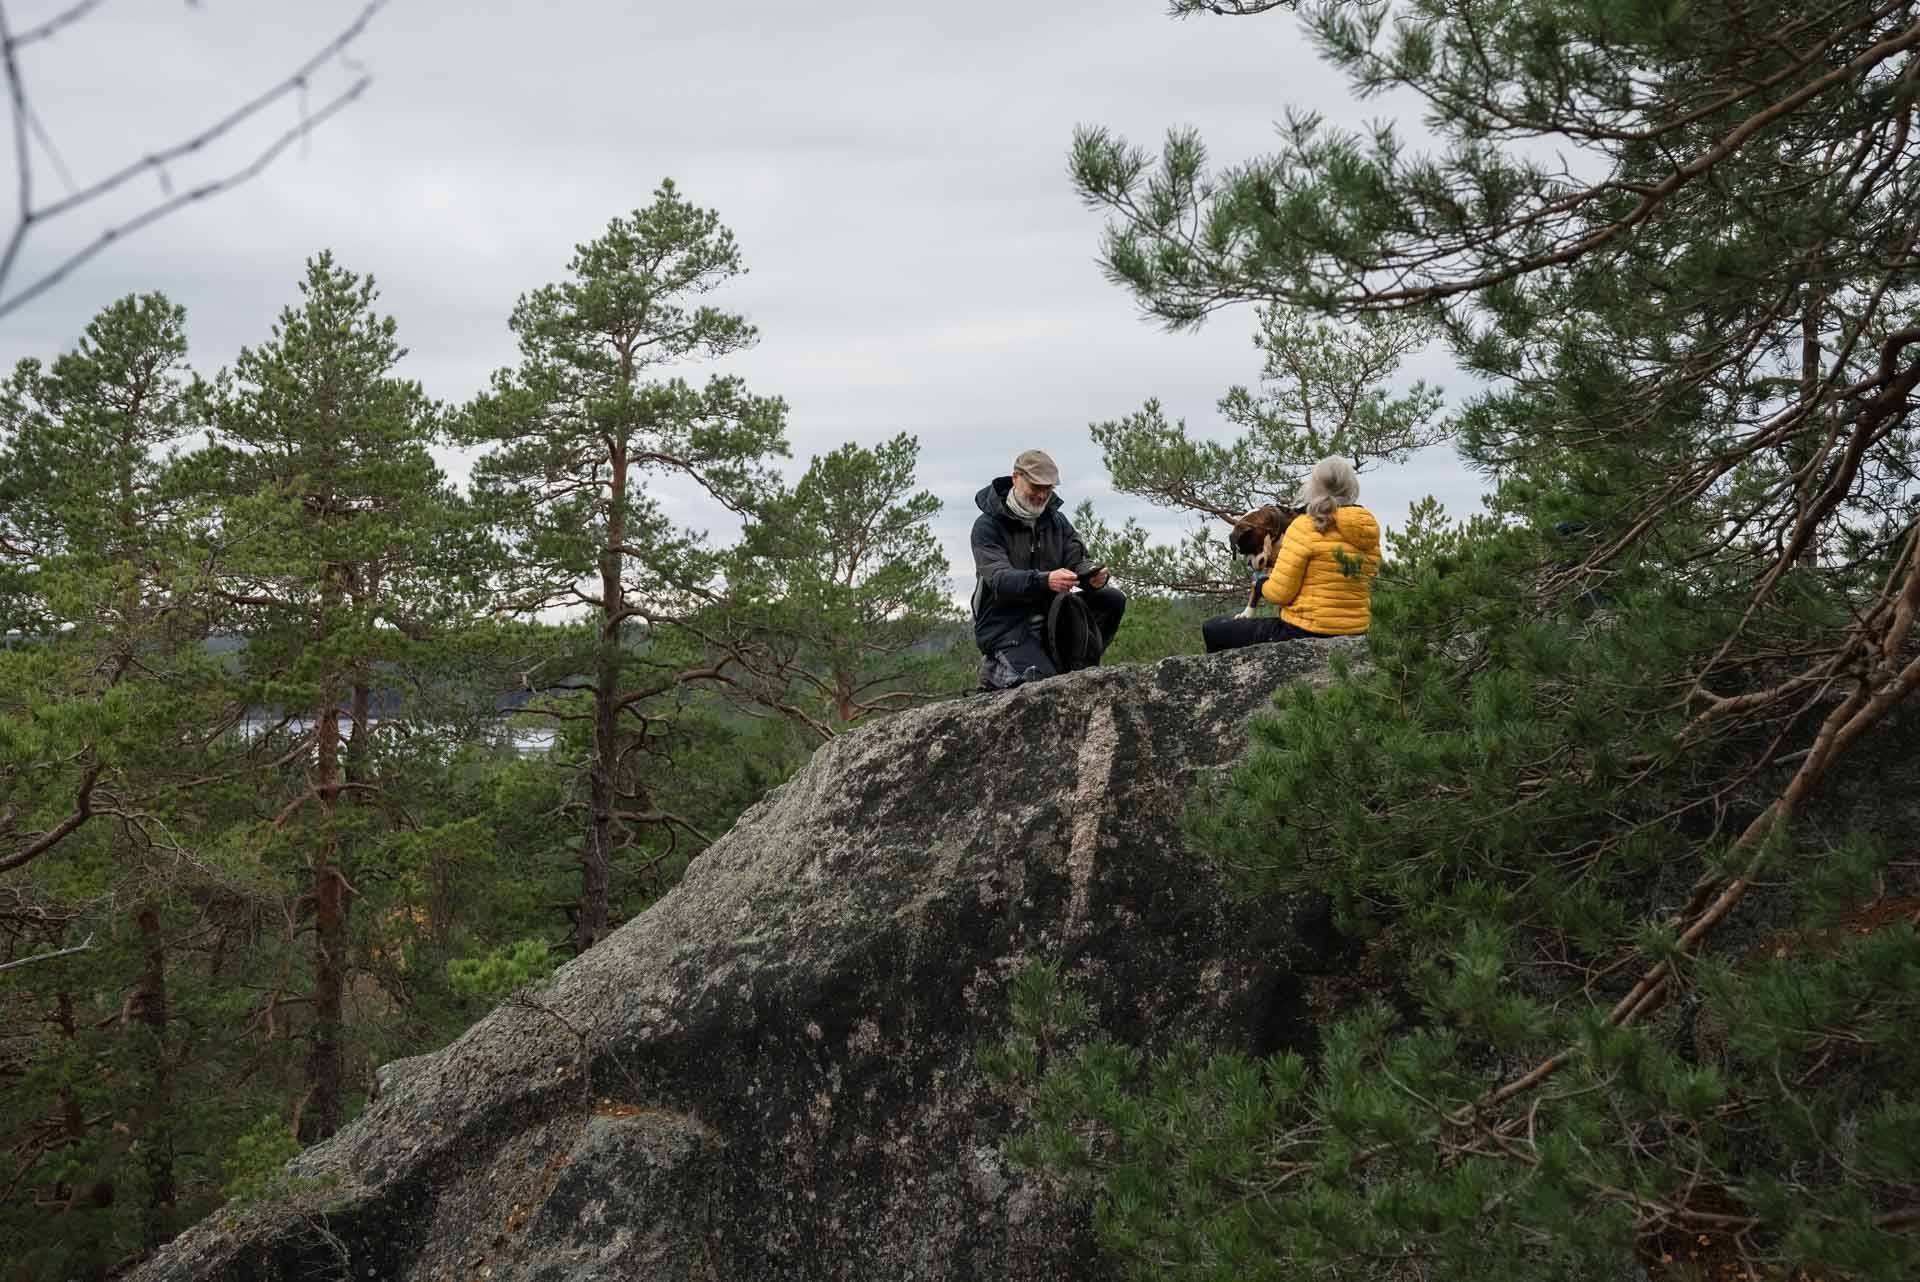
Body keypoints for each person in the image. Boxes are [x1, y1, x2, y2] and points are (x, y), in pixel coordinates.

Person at [971, 449, 1127, 689]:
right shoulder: (987, 526)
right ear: (1015, 478)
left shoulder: (1057, 521)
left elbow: (1076, 559)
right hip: (1006, 625)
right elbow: (999, 579)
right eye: (1035, 487)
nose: (1041, 495)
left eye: (1049, 489)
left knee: (1112, 599)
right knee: (1043, 687)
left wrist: (1093, 576)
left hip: (1053, 616)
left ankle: (1079, 665)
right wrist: (1045, 580)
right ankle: (997, 671)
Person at [1201, 456, 1379, 653]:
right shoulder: (1368, 529)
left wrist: (1262, 580)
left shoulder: (1304, 526)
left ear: (1314, 487)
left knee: (1213, 628)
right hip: (1356, 630)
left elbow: (1281, 594)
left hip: (1306, 630)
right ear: (1350, 487)